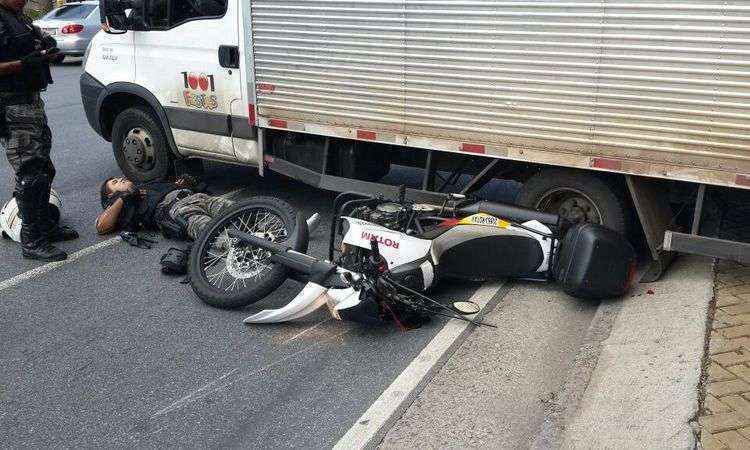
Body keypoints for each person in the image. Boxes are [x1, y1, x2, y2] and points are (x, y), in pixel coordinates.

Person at [0, 0, 78, 262]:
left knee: (44, 169)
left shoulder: (18, 17)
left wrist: (49, 52)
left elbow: (37, 45)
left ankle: (44, 226)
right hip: (11, 106)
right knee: (31, 173)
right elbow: (18, 61)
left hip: (30, 101)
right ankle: (32, 240)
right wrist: (23, 64)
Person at [97, 175, 232, 241]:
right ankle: (244, 248)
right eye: (115, 182)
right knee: (212, 231)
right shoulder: (119, 202)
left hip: (197, 198)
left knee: (237, 210)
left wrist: (184, 184)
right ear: (111, 194)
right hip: (177, 210)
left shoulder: (147, 185)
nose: (120, 179)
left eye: (119, 178)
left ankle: (252, 231)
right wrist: (124, 197)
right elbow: (101, 226)